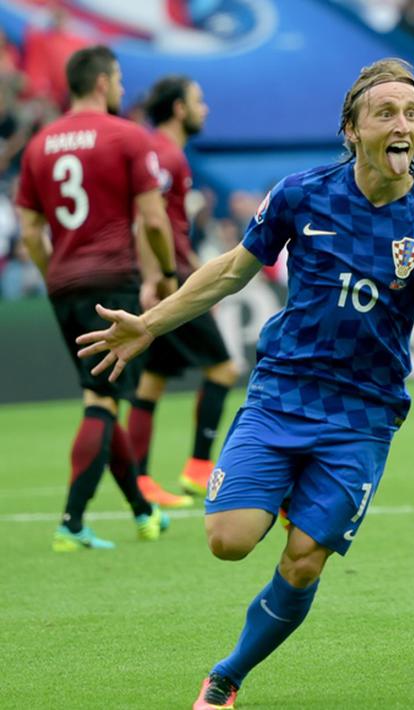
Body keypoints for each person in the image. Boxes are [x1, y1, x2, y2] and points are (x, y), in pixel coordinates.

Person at [76, 58, 414, 708]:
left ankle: (227, 676)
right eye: (385, 113)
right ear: (352, 129)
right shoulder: (300, 194)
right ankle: (289, 492)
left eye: (411, 114)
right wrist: (149, 325)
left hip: (363, 417)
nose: (402, 124)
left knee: (303, 560)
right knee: (227, 542)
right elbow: (233, 270)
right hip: (281, 395)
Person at [16, 45, 175, 551]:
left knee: (101, 393)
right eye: (121, 80)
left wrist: (52, 274)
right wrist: (167, 274)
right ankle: (72, 521)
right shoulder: (126, 136)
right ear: (104, 82)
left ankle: (142, 511)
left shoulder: (39, 144)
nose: (124, 89)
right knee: (102, 399)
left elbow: (30, 233)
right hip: (112, 281)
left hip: (64, 282)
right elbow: (153, 219)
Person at [124, 75, 237, 510]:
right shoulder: (166, 155)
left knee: (152, 381)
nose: (204, 108)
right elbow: (146, 220)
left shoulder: (158, 151)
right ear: (178, 109)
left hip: (159, 277)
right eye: (197, 100)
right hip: (172, 281)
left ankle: (141, 482)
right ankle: (197, 468)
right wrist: (159, 280)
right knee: (223, 369)